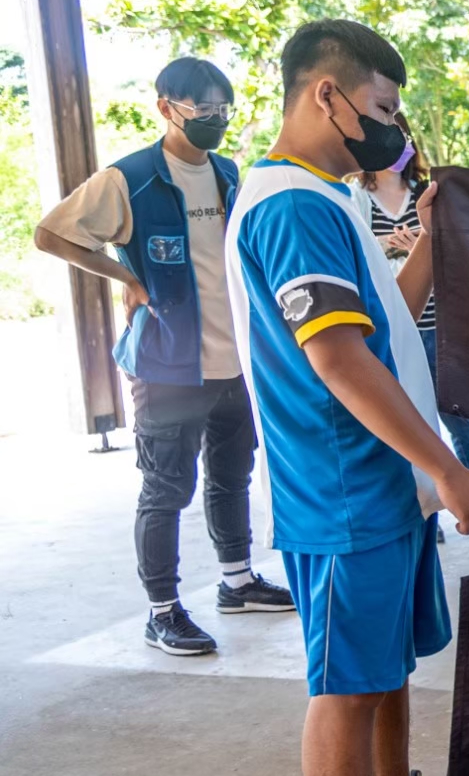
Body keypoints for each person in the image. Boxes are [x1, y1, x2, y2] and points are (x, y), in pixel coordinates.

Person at [227, 18, 469, 776]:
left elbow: (384, 310)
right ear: (325, 96)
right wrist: (449, 468)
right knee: (344, 682)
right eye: (380, 109)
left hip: (378, 480)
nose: (391, 129)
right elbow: (339, 359)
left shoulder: (327, 197)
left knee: (381, 658)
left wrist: (429, 238)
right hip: (343, 485)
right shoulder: (290, 207)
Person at [33, 56, 294, 655]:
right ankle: (163, 611)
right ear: (165, 108)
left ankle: (237, 582)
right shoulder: (131, 179)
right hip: (167, 365)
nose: (214, 120)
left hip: (235, 362)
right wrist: (127, 277)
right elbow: (52, 233)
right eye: (201, 109)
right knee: (165, 489)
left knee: (232, 476)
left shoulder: (230, 173)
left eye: (222, 110)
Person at [350, 121, 469, 472]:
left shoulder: (426, 192)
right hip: (394, 326)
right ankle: (429, 509)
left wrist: (425, 246)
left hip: (440, 325)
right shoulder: (355, 197)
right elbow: (358, 258)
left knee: (464, 421)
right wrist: (397, 249)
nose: (397, 144)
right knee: (411, 425)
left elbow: (457, 251)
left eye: (403, 135)